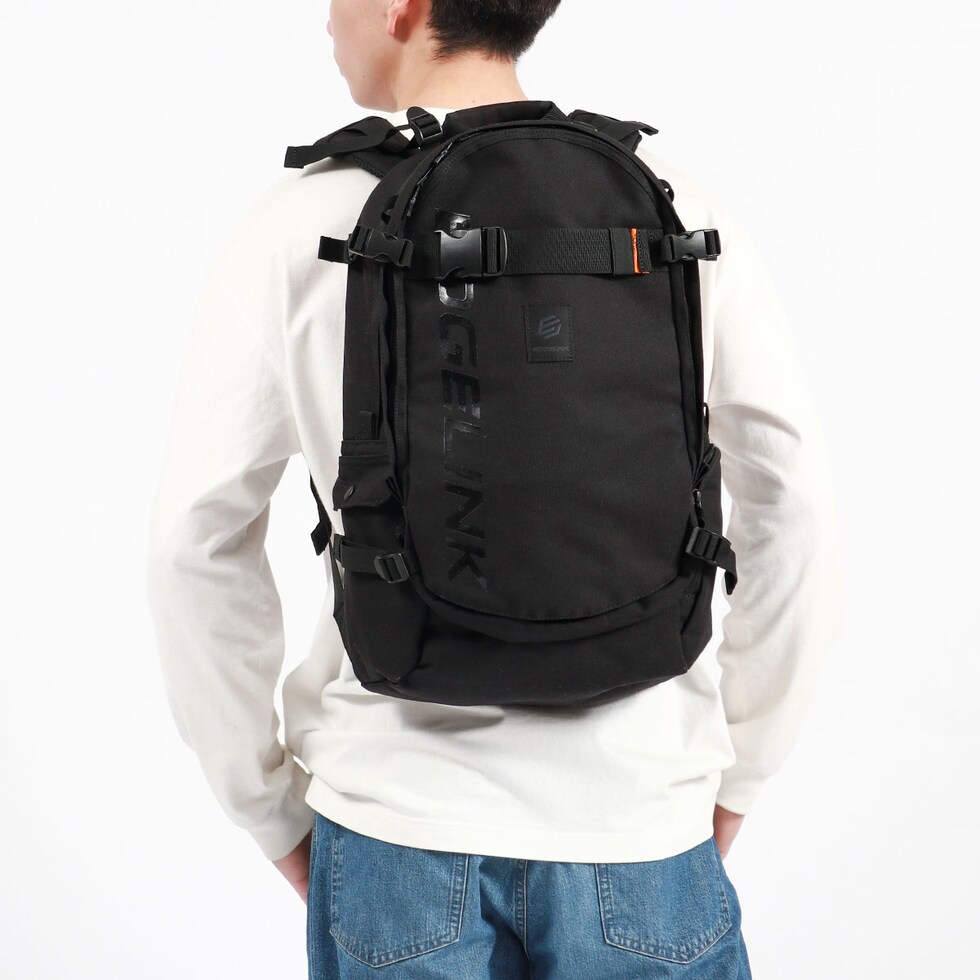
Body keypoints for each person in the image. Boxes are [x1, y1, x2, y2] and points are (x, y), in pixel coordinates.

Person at [145, 1, 843, 977]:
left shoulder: (298, 221)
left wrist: (265, 807)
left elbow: (194, 540)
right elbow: (793, 502)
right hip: (642, 817)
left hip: (395, 824)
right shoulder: (678, 205)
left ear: (401, 5)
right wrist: (741, 769)